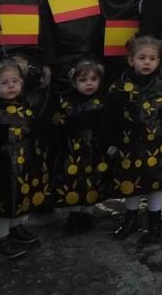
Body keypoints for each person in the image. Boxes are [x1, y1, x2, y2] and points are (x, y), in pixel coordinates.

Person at [101, 35, 162, 245]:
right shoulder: (119, 87)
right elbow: (109, 117)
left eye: (152, 58)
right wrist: (108, 142)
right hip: (129, 145)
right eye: (142, 58)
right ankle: (130, 219)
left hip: (158, 145)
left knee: (155, 185)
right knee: (131, 183)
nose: (147, 62)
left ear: (158, 61)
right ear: (131, 60)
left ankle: (155, 223)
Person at [0, 58, 48, 259]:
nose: (11, 86)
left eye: (15, 81)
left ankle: (16, 227)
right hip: (1, 167)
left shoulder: (22, 104)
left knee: (19, 197)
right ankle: (1, 238)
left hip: (23, 163)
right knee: (2, 203)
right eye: (4, 83)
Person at [50, 60, 108, 232]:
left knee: (93, 180)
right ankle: (74, 214)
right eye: (83, 80)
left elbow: (106, 127)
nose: (89, 83)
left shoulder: (101, 103)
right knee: (74, 181)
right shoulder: (66, 104)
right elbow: (58, 128)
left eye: (93, 79)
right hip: (72, 150)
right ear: (74, 83)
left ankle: (89, 213)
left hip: (94, 150)